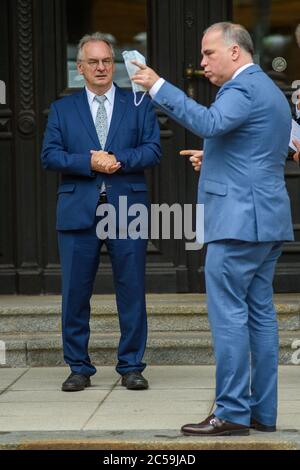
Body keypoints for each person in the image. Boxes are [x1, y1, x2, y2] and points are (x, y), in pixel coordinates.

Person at [132, 22, 294, 436]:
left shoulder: (241, 88)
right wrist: (215, 158)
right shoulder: (269, 90)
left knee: (229, 318)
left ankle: (232, 412)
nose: (202, 62)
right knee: (259, 317)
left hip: (238, 223)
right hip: (265, 221)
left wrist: (157, 86)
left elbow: (209, 122)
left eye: (208, 53)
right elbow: (257, 149)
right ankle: (262, 413)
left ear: (235, 52)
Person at [41, 33, 161, 392]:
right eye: (92, 62)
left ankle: (131, 367)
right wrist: (88, 161)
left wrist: (119, 160)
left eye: (106, 61)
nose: (101, 67)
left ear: (114, 65)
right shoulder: (63, 109)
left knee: (131, 289)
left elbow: (153, 150)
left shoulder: (138, 103)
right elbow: (50, 155)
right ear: (79, 69)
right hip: (78, 209)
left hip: (128, 207)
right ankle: (78, 366)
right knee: (75, 292)